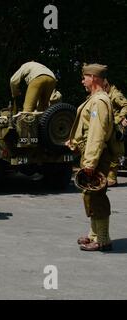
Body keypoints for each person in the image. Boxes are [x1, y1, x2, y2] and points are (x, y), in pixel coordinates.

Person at [67, 63, 114, 251]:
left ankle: (103, 239)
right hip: (91, 154)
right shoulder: (94, 99)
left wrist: (90, 162)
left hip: (96, 156)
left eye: (84, 77)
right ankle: (93, 234)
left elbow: (97, 133)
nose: (82, 81)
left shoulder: (99, 101)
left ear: (93, 78)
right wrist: (76, 143)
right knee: (90, 194)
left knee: (97, 195)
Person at [104, 81, 127, 186]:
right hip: (109, 126)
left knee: (115, 153)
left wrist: (121, 118)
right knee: (108, 152)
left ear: (106, 86)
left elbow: (125, 105)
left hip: (116, 127)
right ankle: (109, 177)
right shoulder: (107, 94)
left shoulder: (115, 95)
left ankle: (112, 178)